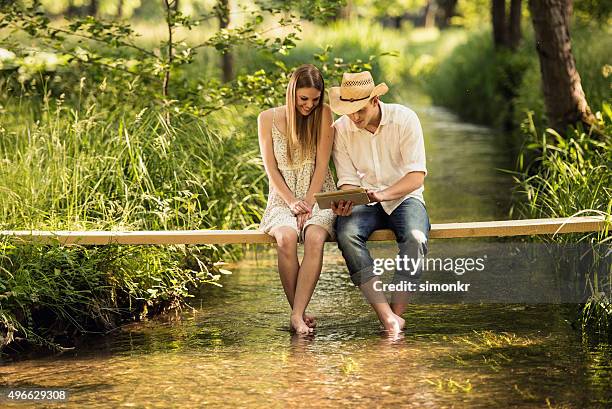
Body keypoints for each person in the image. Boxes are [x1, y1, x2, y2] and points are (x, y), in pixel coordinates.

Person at [328, 71, 430, 334]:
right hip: (366, 201)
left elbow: (416, 177)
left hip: (404, 198)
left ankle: (396, 316)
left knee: (416, 238)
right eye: (350, 111)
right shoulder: (341, 129)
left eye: (360, 110)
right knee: (347, 233)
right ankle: (386, 317)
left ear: (375, 101)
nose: (355, 117)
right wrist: (346, 200)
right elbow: (348, 179)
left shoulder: (405, 119)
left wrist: (384, 194)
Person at [258, 64, 336, 334]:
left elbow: (323, 165)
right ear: (292, 93)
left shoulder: (324, 114)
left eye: (315, 99)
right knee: (286, 237)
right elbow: (271, 168)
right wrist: (292, 202)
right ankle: (299, 313)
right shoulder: (266, 118)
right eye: (304, 99)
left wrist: (310, 202)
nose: (309, 105)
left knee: (314, 237)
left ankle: (296, 316)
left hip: (318, 193)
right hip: (282, 197)